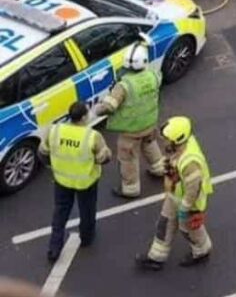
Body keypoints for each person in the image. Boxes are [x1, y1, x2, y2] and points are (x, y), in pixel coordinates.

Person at [137, 117, 213, 270]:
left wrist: (185, 208)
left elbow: (193, 190)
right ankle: (156, 257)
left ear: (177, 140)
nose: (163, 142)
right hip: (175, 196)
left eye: (167, 139)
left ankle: (202, 251)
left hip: (189, 203)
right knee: (164, 224)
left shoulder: (190, 162)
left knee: (190, 230)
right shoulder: (182, 148)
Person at [92, 39, 165, 199]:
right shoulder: (153, 75)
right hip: (149, 122)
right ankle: (160, 168)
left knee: (128, 158)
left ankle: (131, 188)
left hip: (131, 130)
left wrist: (96, 111)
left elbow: (109, 106)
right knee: (150, 144)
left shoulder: (124, 85)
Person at [39, 101, 111, 262]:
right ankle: (86, 238)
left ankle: (54, 248)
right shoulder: (92, 136)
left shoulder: (54, 130)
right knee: (87, 211)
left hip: (61, 180)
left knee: (60, 213)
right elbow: (104, 158)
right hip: (86, 183)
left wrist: (54, 165)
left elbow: (42, 153)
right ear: (84, 116)